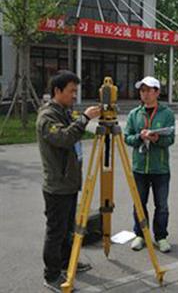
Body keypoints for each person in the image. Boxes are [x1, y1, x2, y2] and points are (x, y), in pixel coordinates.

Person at [36, 70, 100, 292]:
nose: (75, 96)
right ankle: (51, 275)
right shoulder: (47, 117)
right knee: (56, 231)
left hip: (70, 182)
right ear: (57, 90)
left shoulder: (64, 111)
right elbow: (63, 138)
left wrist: (86, 117)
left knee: (66, 229)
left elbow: (75, 129)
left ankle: (66, 263)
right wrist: (84, 119)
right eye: (72, 91)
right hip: (57, 185)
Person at [124, 76, 175, 253]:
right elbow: (127, 138)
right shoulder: (134, 114)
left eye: (148, 90)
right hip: (139, 167)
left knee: (161, 205)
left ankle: (161, 237)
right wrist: (140, 137)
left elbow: (170, 138)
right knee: (139, 203)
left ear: (157, 92)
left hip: (160, 168)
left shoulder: (167, 114)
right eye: (142, 90)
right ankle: (140, 234)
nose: (145, 94)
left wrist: (156, 138)